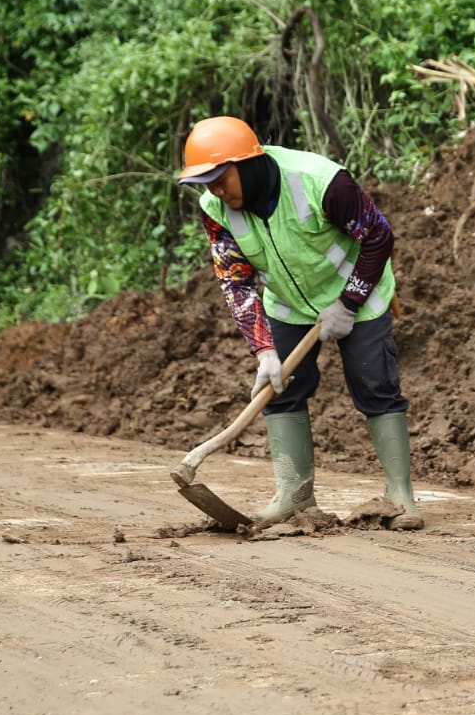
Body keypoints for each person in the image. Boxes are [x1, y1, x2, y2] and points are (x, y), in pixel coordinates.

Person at [176, 116, 421, 529]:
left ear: (249, 163)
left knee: (374, 385)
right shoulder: (215, 209)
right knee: (279, 390)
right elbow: (235, 280)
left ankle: (400, 497)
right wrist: (264, 350)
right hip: (288, 306)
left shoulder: (319, 180)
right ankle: (294, 497)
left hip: (359, 295)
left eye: (221, 177)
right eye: (206, 182)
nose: (215, 189)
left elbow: (378, 235)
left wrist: (348, 302)